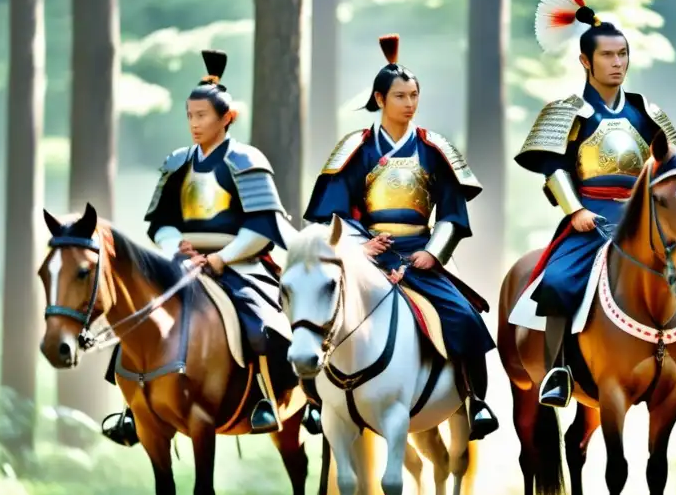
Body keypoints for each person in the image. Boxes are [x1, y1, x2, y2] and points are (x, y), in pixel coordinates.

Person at [514, 0, 676, 410]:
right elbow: (552, 166)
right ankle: (559, 370)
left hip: (646, 220)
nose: (617, 64)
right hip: (589, 219)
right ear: (585, 61)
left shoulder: (647, 113)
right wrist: (575, 210)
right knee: (560, 282)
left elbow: (672, 168)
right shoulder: (566, 111)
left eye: (623, 55)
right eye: (607, 56)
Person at [101, 49, 313, 446]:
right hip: (181, 264)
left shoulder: (246, 161)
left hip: (240, 263)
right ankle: (133, 407)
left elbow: (262, 226)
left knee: (260, 325)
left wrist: (220, 257)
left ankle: (272, 397)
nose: (194, 124)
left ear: (226, 118)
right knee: (139, 322)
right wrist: (174, 247)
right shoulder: (177, 163)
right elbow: (160, 221)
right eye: (190, 116)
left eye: (202, 116)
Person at [302, 34, 499, 441]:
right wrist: (358, 246)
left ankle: (475, 401)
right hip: (365, 255)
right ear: (379, 98)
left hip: (420, 256)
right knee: (316, 311)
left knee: (464, 317)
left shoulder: (433, 148)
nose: (409, 104)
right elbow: (332, 214)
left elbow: (452, 213)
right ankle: (317, 401)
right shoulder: (354, 148)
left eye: (414, 95)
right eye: (400, 96)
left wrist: (434, 253)